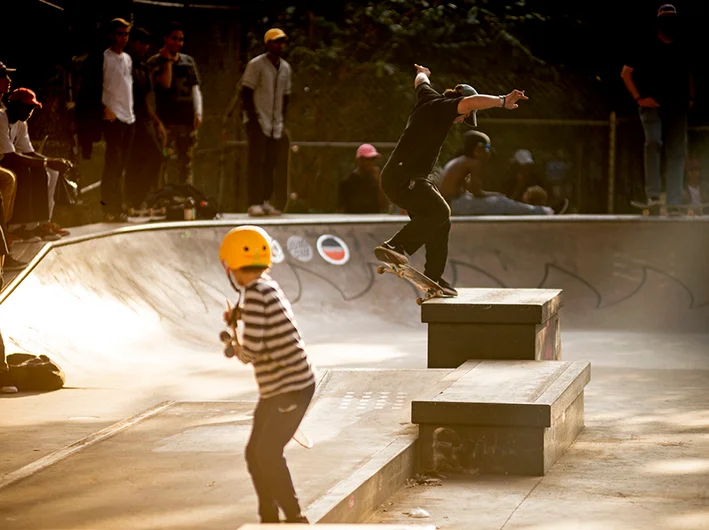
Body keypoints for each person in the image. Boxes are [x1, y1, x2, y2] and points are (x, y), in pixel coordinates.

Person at [374, 64, 528, 294]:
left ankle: (433, 277)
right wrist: (502, 100)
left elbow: (420, 82)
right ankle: (395, 245)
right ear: (459, 104)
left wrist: (423, 72)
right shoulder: (445, 107)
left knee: (440, 220)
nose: (463, 118)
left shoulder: (428, 97)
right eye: (465, 115)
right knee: (440, 212)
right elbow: (470, 102)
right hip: (404, 177)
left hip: (401, 177)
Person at [219, 225, 315, 524]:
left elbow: (254, 349)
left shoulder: (254, 295)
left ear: (232, 267)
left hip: (289, 388)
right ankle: (268, 517)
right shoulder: (265, 286)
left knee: (267, 453)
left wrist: (235, 346)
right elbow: (266, 321)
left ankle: (295, 516)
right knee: (254, 453)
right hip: (282, 387)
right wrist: (241, 316)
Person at [621, 4, 693, 214]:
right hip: (652, 107)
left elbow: (688, 72)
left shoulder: (683, 45)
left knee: (677, 152)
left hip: (677, 106)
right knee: (654, 142)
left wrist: (690, 96)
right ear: (660, 24)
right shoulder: (645, 44)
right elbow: (625, 73)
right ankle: (653, 195)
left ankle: (674, 200)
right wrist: (639, 98)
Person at [0, 89, 73, 241]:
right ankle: (16, 226)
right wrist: (47, 162)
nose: (29, 113)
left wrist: (53, 162)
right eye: (26, 108)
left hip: (8, 160)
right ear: (13, 105)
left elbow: (29, 152)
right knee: (24, 170)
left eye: (31, 109)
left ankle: (37, 224)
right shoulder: (1, 118)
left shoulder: (21, 124)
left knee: (50, 171)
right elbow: (10, 156)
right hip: (4, 161)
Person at [439, 131, 554, 216]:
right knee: (500, 202)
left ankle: (540, 211)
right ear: (477, 149)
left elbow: (462, 191)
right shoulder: (473, 163)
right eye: (487, 147)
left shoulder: (459, 161)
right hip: (456, 205)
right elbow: (477, 192)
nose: (488, 151)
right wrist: (494, 195)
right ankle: (546, 212)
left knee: (498, 201)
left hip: (451, 204)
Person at [241, 28, 292, 217]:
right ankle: (253, 201)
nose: (280, 45)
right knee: (256, 162)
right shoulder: (257, 65)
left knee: (271, 163)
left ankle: (265, 200)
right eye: (276, 41)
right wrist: (253, 119)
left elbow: (286, 97)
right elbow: (246, 93)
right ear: (268, 44)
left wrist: (282, 120)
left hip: (275, 123)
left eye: (282, 42)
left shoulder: (285, 68)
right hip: (258, 120)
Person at [148, 22, 202, 186]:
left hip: (186, 118)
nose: (178, 43)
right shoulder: (155, 62)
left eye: (181, 39)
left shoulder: (188, 61)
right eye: (174, 38)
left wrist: (198, 112)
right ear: (165, 39)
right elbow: (156, 88)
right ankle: (161, 196)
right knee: (165, 158)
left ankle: (185, 195)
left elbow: (195, 87)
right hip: (167, 119)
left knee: (186, 160)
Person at [126, 27, 167, 215]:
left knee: (155, 156)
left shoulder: (142, 66)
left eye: (146, 43)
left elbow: (145, 101)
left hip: (143, 119)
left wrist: (157, 122)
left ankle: (138, 199)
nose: (143, 47)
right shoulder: (125, 63)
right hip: (128, 118)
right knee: (136, 160)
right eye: (140, 43)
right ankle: (133, 201)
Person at [100, 17, 136, 221]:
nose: (123, 38)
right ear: (112, 35)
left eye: (126, 34)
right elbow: (95, 86)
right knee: (112, 163)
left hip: (128, 117)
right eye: (119, 34)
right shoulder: (104, 58)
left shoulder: (127, 59)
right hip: (112, 116)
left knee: (121, 165)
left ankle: (118, 206)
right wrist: (104, 108)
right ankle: (109, 208)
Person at [338, 143, 388, 213]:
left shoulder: (375, 180)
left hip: (374, 219)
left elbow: (383, 205)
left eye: (373, 159)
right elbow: (341, 208)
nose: (371, 163)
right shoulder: (347, 182)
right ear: (360, 160)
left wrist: (379, 182)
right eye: (368, 159)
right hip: (354, 220)